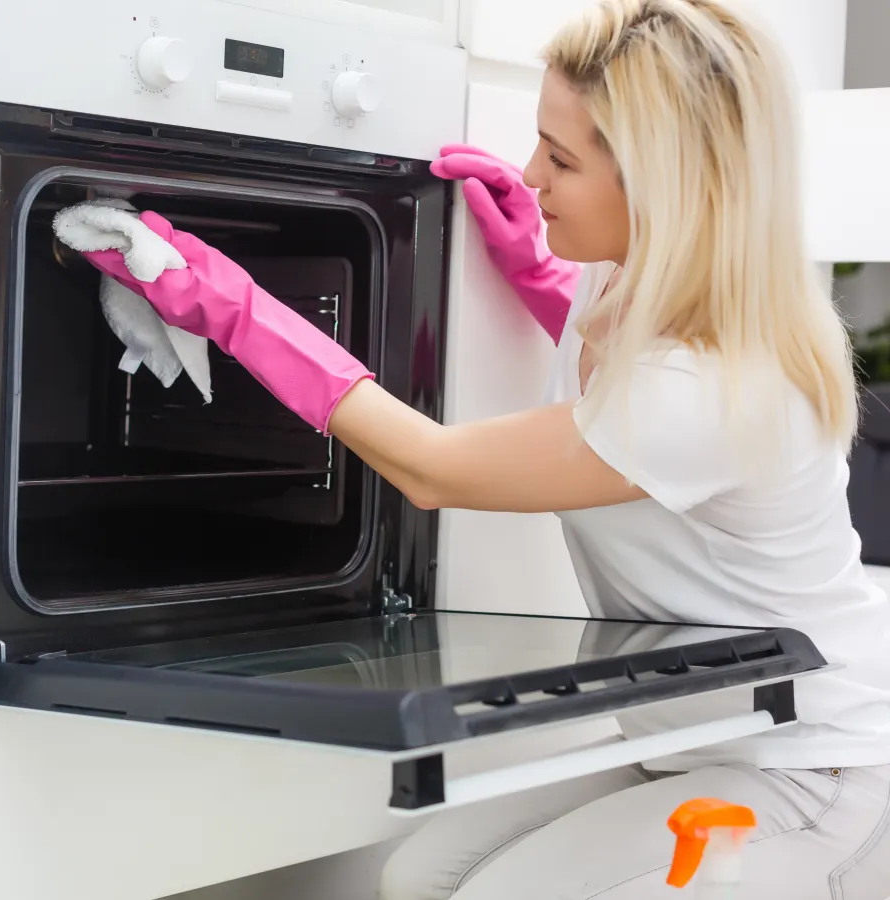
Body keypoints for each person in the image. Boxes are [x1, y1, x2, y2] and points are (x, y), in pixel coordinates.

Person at [80, 0, 890, 895]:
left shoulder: (713, 388)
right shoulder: (626, 270)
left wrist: (229, 304)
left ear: (662, 188)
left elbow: (436, 468)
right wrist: (537, 271)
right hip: (692, 737)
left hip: (813, 765)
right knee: (424, 876)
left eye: (564, 158)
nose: (533, 172)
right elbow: (616, 405)